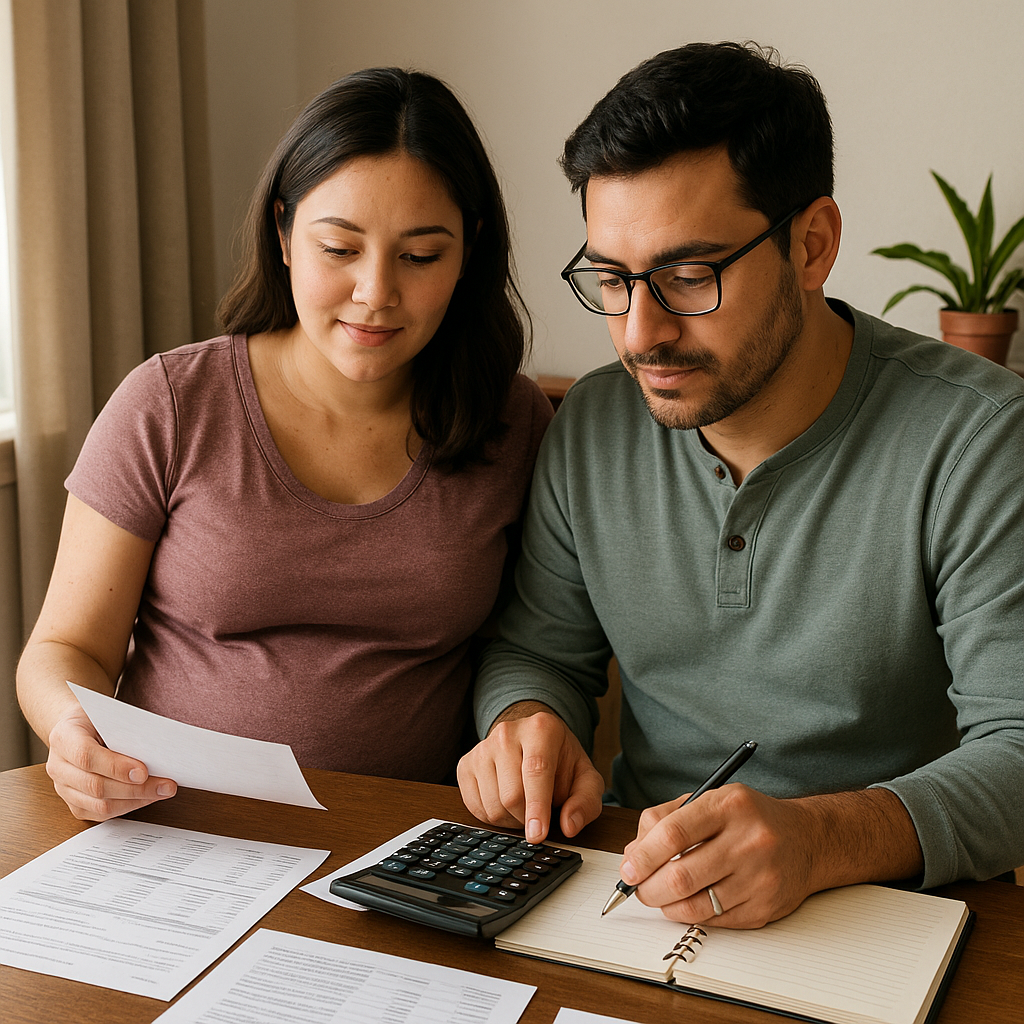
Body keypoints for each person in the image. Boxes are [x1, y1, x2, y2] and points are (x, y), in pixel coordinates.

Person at [457, 41, 1024, 929]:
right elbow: (538, 653)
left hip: (893, 919)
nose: (641, 332)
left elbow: (1019, 748)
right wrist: (524, 721)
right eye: (610, 278)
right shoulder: (594, 426)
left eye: (689, 276)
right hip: (638, 905)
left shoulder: (979, 438)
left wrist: (817, 840)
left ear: (813, 243)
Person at [17, 68, 552, 822]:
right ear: (283, 233)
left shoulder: (514, 423)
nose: (375, 291)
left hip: (402, 845)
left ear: (469, 253)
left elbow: (532, 649)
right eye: (340, 248)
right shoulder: (171, 404)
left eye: (421, 256)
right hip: (180, 826)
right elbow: (64, 648)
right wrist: (74, 730)